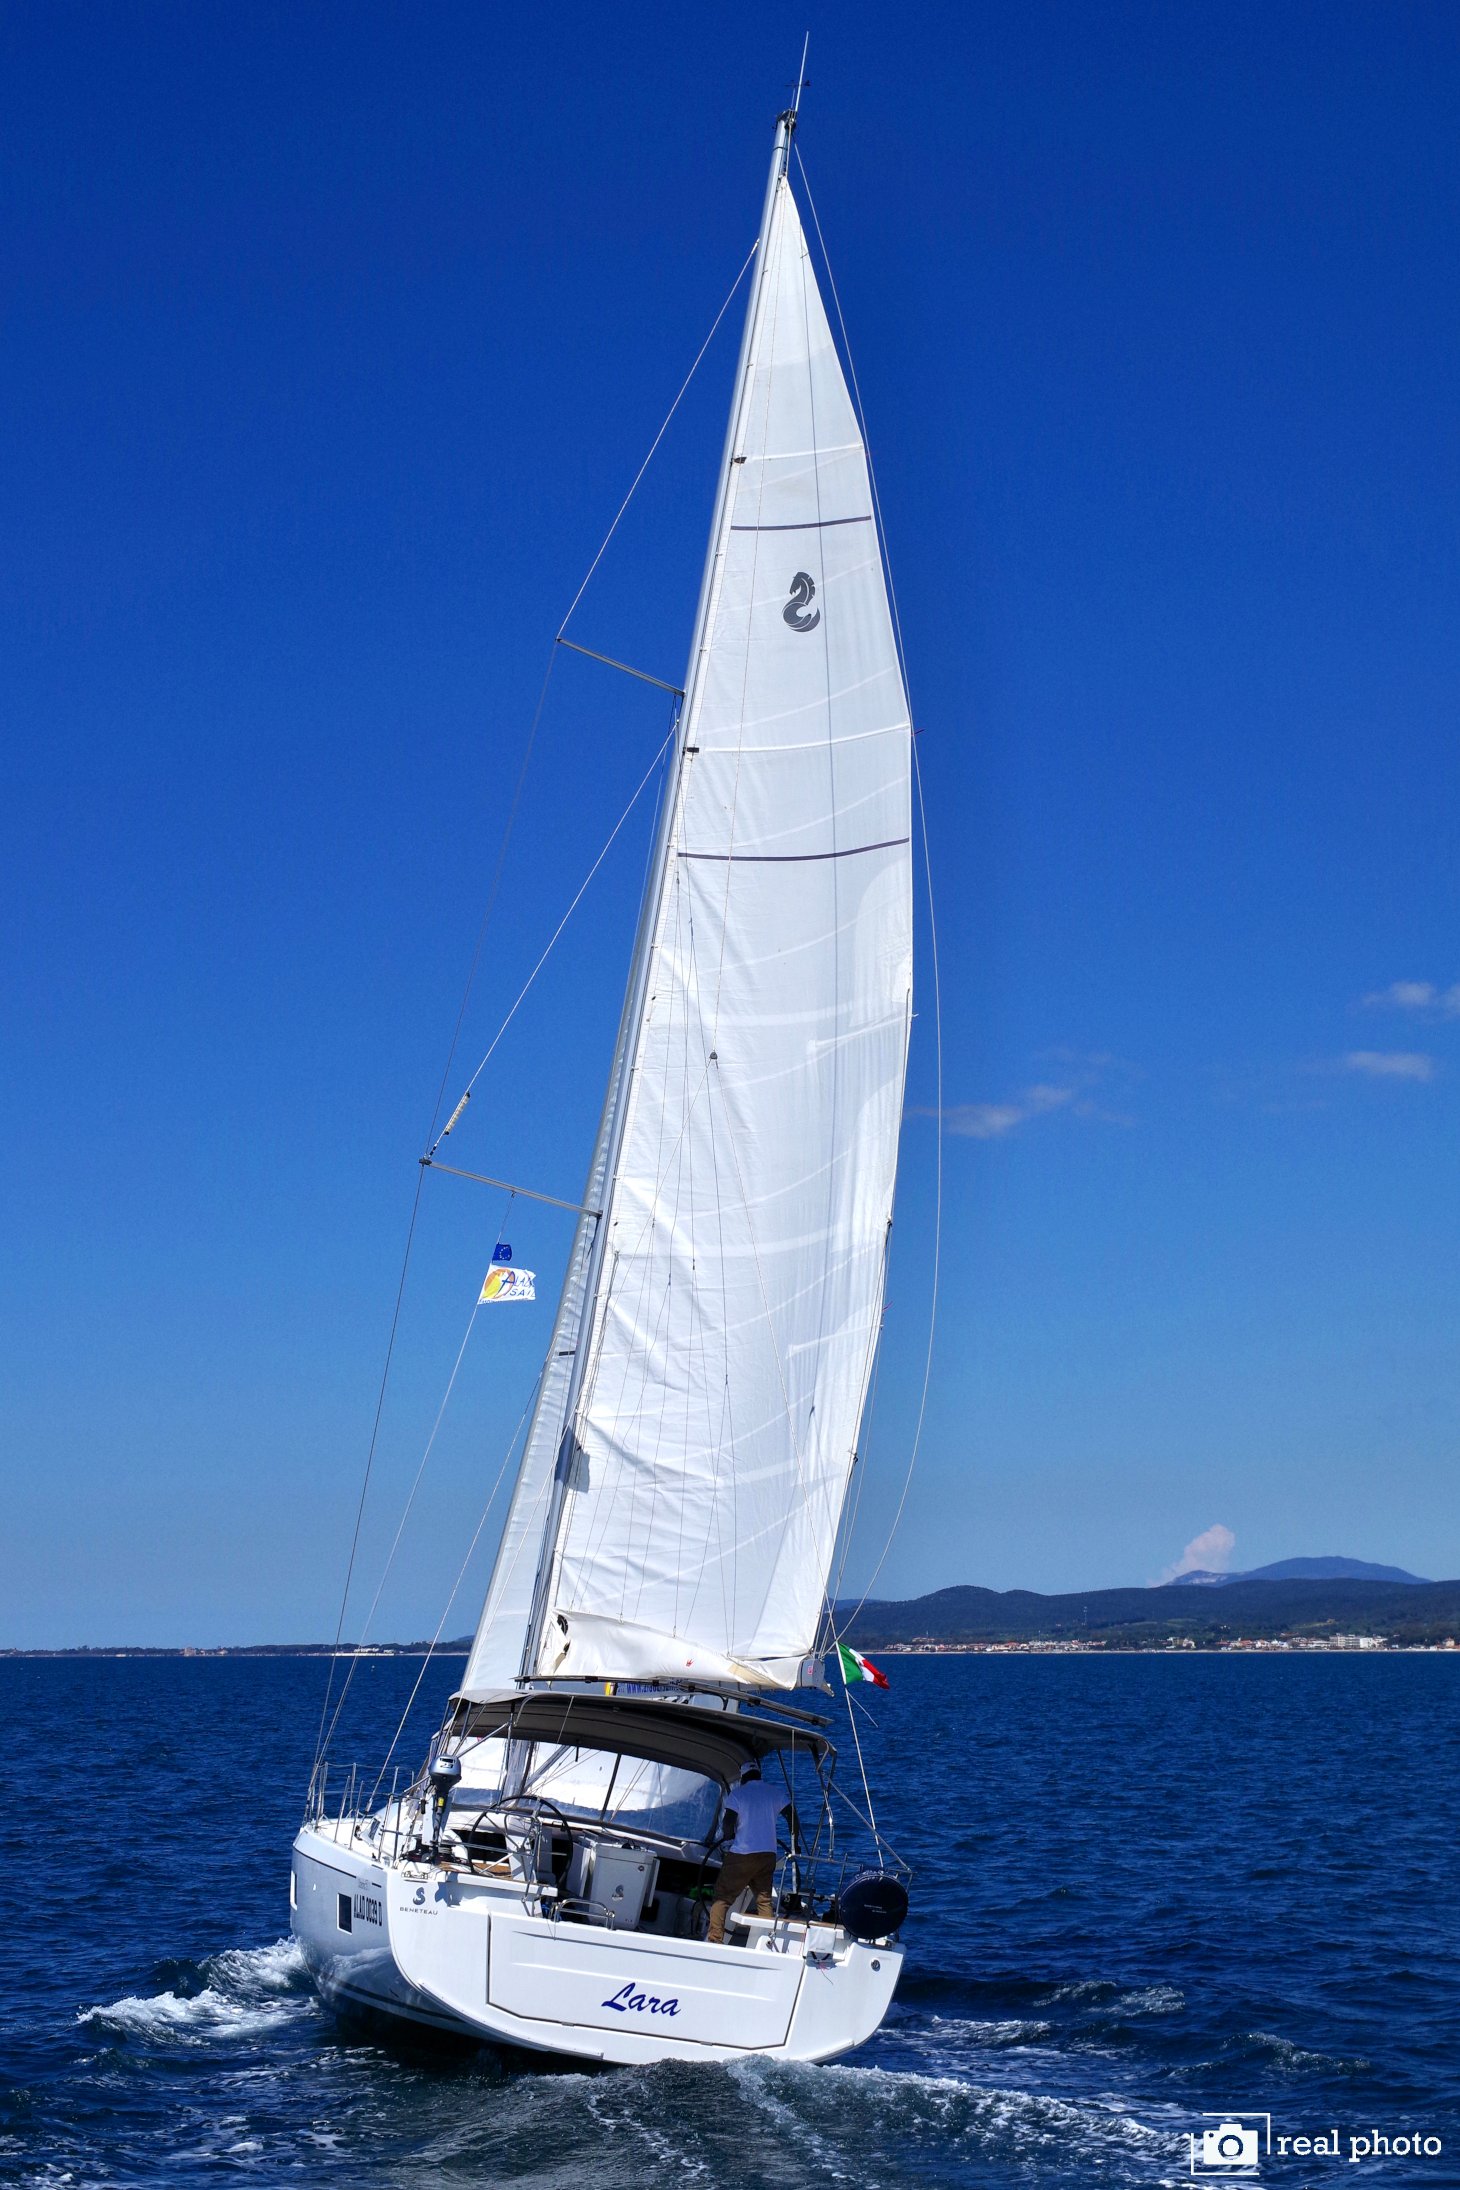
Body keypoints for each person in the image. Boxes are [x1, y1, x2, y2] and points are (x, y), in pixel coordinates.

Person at [706, 1762, 796, 1945]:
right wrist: (795, 1843)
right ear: (758, 1774)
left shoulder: (738, 1794)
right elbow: (792, 1815)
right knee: (764, 1901)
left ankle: (715, 1940)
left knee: (722, 1898)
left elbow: (728, 1822)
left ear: (743, 1776)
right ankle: (768, 1943)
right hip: (767, 1855)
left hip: (742, 1855)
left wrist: (728, 1835)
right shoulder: (774, 1792)